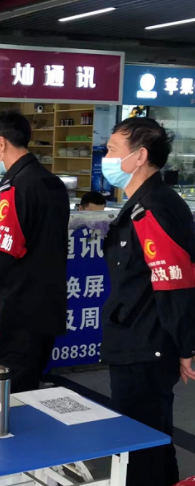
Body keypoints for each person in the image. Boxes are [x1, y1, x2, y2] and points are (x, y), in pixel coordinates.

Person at [101, 117, 195, 486]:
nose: (105, 157)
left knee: (142, 443)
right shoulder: (142, 203)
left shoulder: (154, 206)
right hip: (133, 340)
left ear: (139, 156)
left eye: (112, 150)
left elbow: (174, 283)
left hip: (146, 346)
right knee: (147, 439)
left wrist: (186, 346)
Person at [0, 111, 70, 393]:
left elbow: (1, 252)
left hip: (23, 309)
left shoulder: (17, 187)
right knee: (31, 383)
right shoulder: (53, 183)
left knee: (15, 392)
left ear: (1, 143)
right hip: (49, 306)